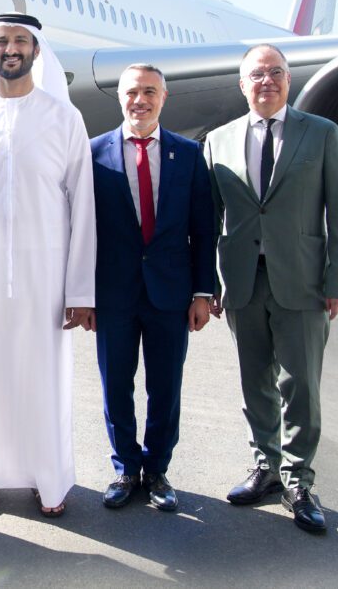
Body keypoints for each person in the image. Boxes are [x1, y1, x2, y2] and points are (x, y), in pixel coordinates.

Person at [0, 14, 96, 518]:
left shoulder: (64, 119)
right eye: (3, 40)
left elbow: (83, 209)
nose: (11, 49)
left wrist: (80, 292)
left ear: (35, 50)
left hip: (45, 278)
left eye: (20, 41)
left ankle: (48, 479)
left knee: (43, 379)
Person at [205, 43, 338, 535]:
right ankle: (266, 466)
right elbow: (208, 221)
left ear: (288, 81)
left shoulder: (322, 134)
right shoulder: (218, 141)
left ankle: (299, 479)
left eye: (276, 72)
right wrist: (207, 285)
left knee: (301, 385)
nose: (266, 81)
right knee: (255, 382)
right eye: (256, 74)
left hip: (304, 279)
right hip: (243, 281)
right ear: (242, 84)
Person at [90, 63, 217, 514]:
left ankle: (158, 469)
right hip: (113, 294)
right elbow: (82, 231)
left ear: (165, 98)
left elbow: (204, 229)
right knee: (115, 387)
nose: (139, 100)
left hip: (170, 294)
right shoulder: (92, 153)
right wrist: (83, 296)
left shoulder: (187, 154)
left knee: (165, 387)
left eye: (149, 92)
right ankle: (125, 467)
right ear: (119, 98)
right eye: (131, 93)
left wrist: (203, 291)